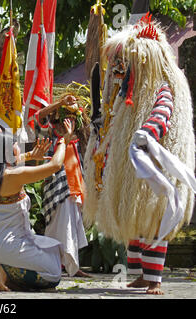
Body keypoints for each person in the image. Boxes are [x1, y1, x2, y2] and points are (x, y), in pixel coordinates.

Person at [83, 14, 195, 295]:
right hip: (132, 165)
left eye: (125, 61)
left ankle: (154, 278)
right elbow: (112, 120)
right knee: (133, 219)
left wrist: (149, 131)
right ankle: (140, 275)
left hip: (153, 165)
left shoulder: (162, 87)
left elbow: (163, 110)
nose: (120, 67)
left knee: (154, 219)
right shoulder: (126, 93)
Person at [0, 119, 74, 291]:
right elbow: (55, 165)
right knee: (54, 274)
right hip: (8, 244)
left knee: (53, 250)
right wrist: (63, 141)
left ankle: (6, 272)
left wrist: (31, 155)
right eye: (15, 145)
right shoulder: (15, 175)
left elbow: (18, 159)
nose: (19, 148)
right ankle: (5, 273)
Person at [33, 94, 91, 278]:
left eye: (73, 117)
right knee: (60, 227)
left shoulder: (80, 136)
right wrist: (60, 103)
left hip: (75, 188)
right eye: (68, 116)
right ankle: (58, 265)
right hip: (58, 189)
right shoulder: (51, 134)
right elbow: (39, 116)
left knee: (71, 227)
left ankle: (71, 266)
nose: (71, 121)